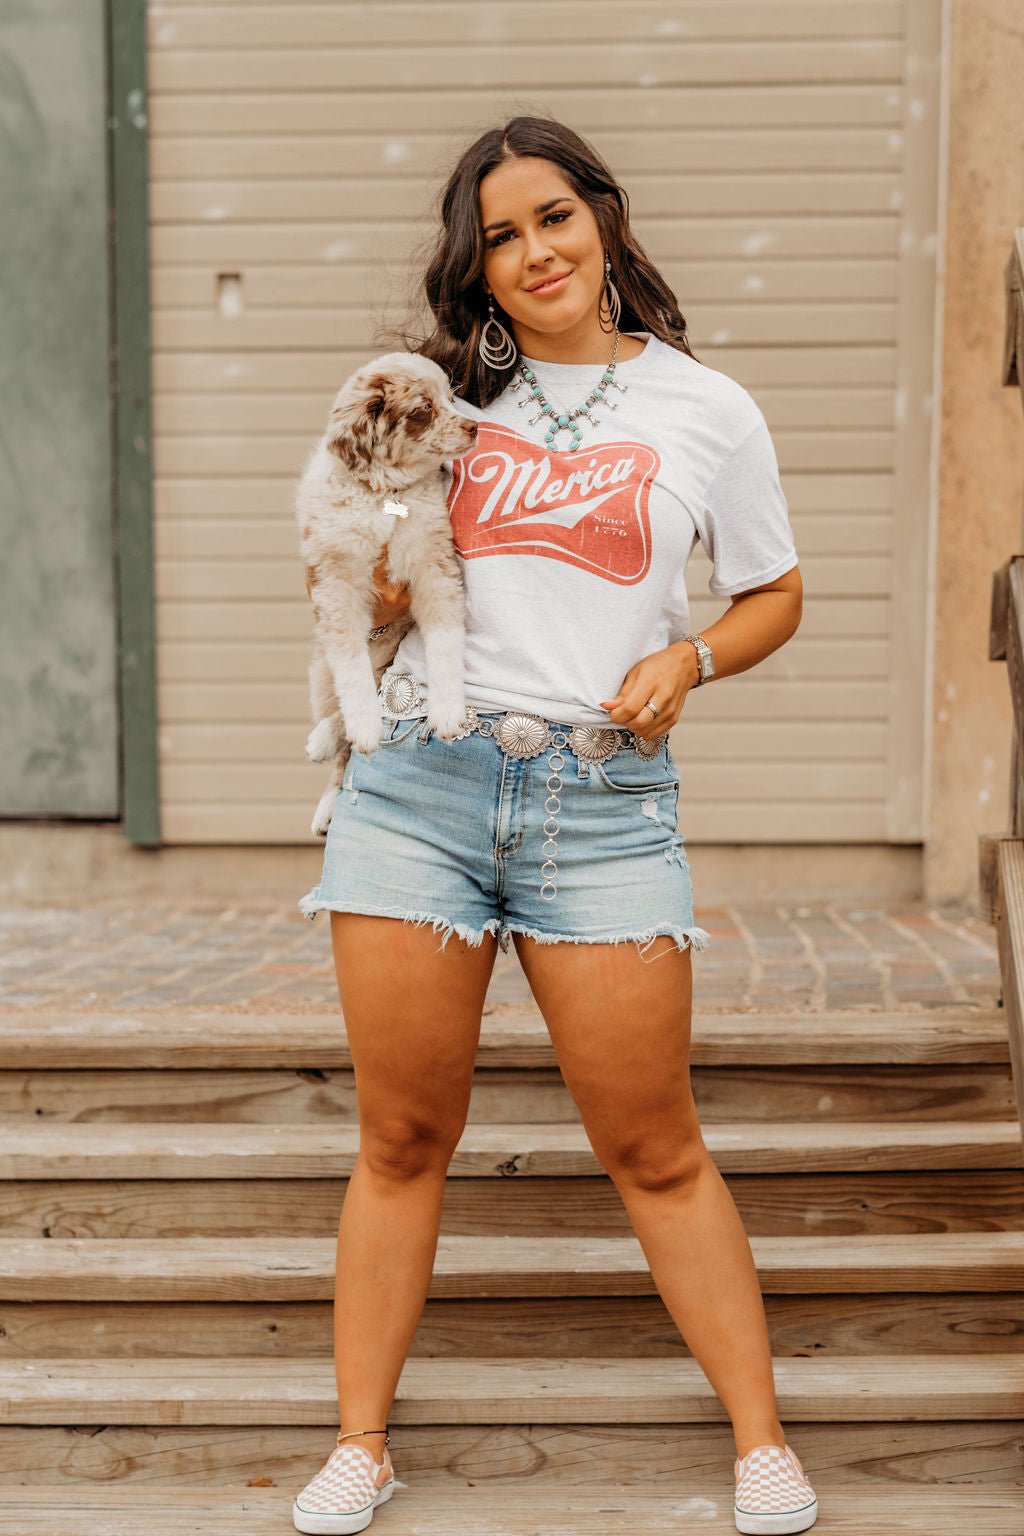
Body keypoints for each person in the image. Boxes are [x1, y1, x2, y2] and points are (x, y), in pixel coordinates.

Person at [293, 116, 815, 1536]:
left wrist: (692, 657)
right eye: (501, 238)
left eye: (552, 219)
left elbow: (774, 589)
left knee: (655, 1144)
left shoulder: (707, 410)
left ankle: (762, 1444)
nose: (533, 254)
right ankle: (361, 1444)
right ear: (478, 267)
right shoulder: (436, 401)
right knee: (403, 1136)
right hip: (421, 790)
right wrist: (378, 596)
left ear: (603, 219)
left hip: (601, 798)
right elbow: (342, 566)